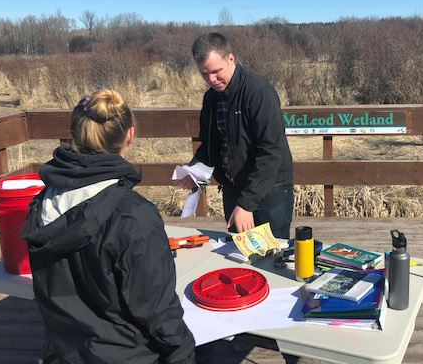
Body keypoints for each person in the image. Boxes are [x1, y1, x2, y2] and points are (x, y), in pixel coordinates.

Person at [21, 90, 196, 364]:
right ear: (130, 136)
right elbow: (159, 314)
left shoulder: (42, 203)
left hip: (72, 352)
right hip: (133, 354)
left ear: (75, 136)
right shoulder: (133, 216)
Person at [180, 32, 294, 239]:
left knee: (273, 257)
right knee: (238, 252)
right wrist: (195, 170)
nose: (211, 80)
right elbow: (210, 145)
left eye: (216, 71)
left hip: (270, 189)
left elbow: (271, 151)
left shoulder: (258, 91)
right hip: (234, 189)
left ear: (230, 59)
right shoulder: (210, 99)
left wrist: (247, 204)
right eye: (204, 74)